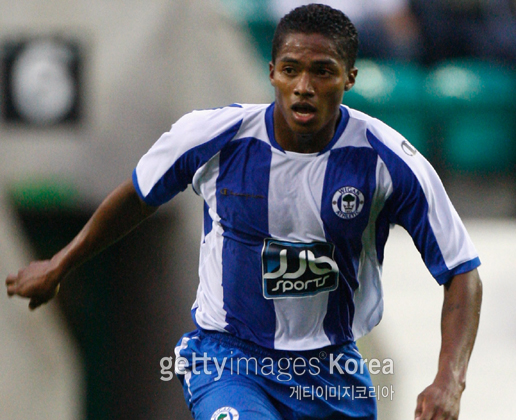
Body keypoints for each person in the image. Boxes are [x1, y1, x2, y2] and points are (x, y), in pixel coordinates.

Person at [5, 4, 482, 420]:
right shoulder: (213, 136)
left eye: (322, 71)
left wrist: (450, 380)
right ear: (272, 72)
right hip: (231, 360)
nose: (304, 87)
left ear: (349, 77)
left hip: (334, 371)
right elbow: (138, 195)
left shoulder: (388, 160)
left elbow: (461, 270)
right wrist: (61, 263)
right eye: (291, 69)